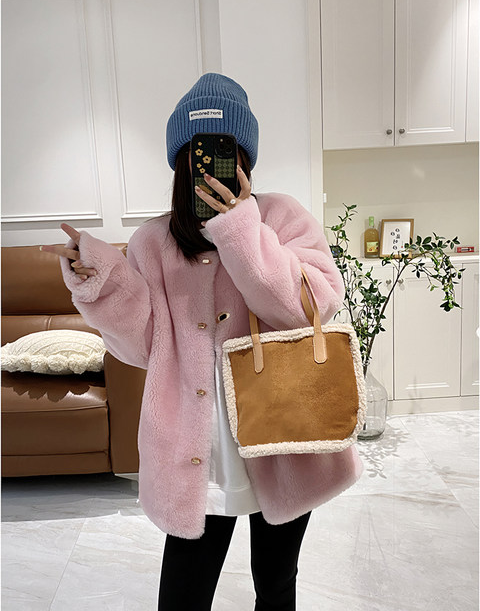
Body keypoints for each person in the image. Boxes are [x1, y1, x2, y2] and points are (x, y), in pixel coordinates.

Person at [41, 73, 364, 610]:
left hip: (282, 433)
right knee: (183, 594)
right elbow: (143, 345)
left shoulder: (282, 217)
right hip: (200, 446)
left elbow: (308, 308)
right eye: (196, 153)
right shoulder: (152, 241)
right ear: (179, 163)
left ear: (246, 159)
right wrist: (102, 279)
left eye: (224, 152)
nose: (209, 166)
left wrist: (241, 229)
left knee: (276, 583)